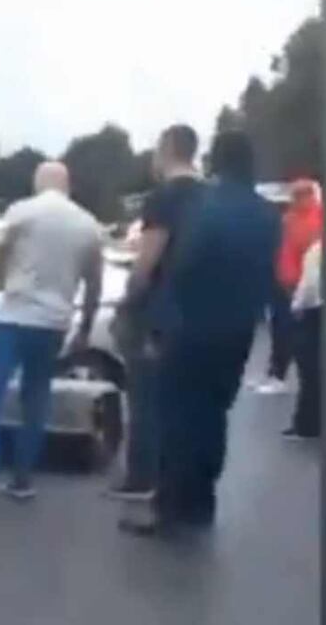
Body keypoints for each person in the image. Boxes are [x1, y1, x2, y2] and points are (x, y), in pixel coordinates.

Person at [121, 131, 281, 536]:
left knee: (176, 417)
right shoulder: (267, 214)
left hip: (189, 326)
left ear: (216, 160)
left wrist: (151, 317)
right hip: (238, 329)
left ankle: (171, 510)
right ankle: (201, 502)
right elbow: (269, 273)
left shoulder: (204, 205)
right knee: (213, 414)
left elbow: (182, 265)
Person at [0, 161, 103, 505]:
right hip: (55, 324)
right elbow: (93, 285)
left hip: (16, 316)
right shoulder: (88, 224)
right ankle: (22, 480)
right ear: (67, 184)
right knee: (36, 400)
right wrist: (85, 327)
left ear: (38, 182)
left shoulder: (22, 212)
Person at [108, 124, 205, 500]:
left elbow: (147, 262)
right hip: (202, 312)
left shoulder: (163, 199)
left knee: (146, 396)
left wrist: (128, 302)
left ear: (167, 150)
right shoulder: (209, 197)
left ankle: (142, 477)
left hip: (161, 313)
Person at [254, 178, 324, 395]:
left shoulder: (312, 220)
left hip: (299, 286)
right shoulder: (292, 219)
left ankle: (279, 375)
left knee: (290, 333)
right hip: (286, 283)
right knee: (283, 330)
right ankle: (276, 373)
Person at [284, 238, 323, 439]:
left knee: (309, 369)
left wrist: (297, 305)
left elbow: (310, 284)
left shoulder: (317, 249)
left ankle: (307, 424)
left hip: (315, 312)